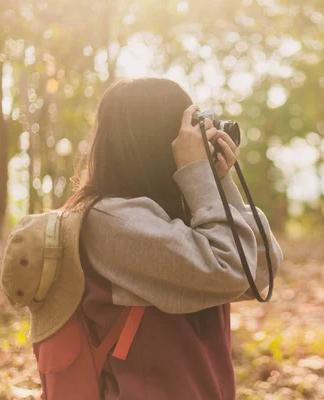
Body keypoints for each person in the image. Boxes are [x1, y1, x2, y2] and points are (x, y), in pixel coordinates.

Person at [61, 78, 282, 399]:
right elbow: (232, 269)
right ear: (158, 138)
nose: (198, 137)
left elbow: (263, 268)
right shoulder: (109, 220)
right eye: (188, 127)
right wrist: (197, 173)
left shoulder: (186, 209)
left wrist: (218, 180)